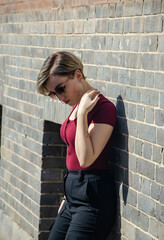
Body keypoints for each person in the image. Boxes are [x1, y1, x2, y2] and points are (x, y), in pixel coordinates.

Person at [37, 51, 117, 240]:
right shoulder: (76, 106)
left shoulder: (103, 108)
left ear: (78, 75)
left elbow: (85, 158)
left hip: (92, 200)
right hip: (72, 197)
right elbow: (72, 154)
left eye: (61, 88)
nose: (59, 97)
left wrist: (81, 114)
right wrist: (67, 197)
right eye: (53, 93)